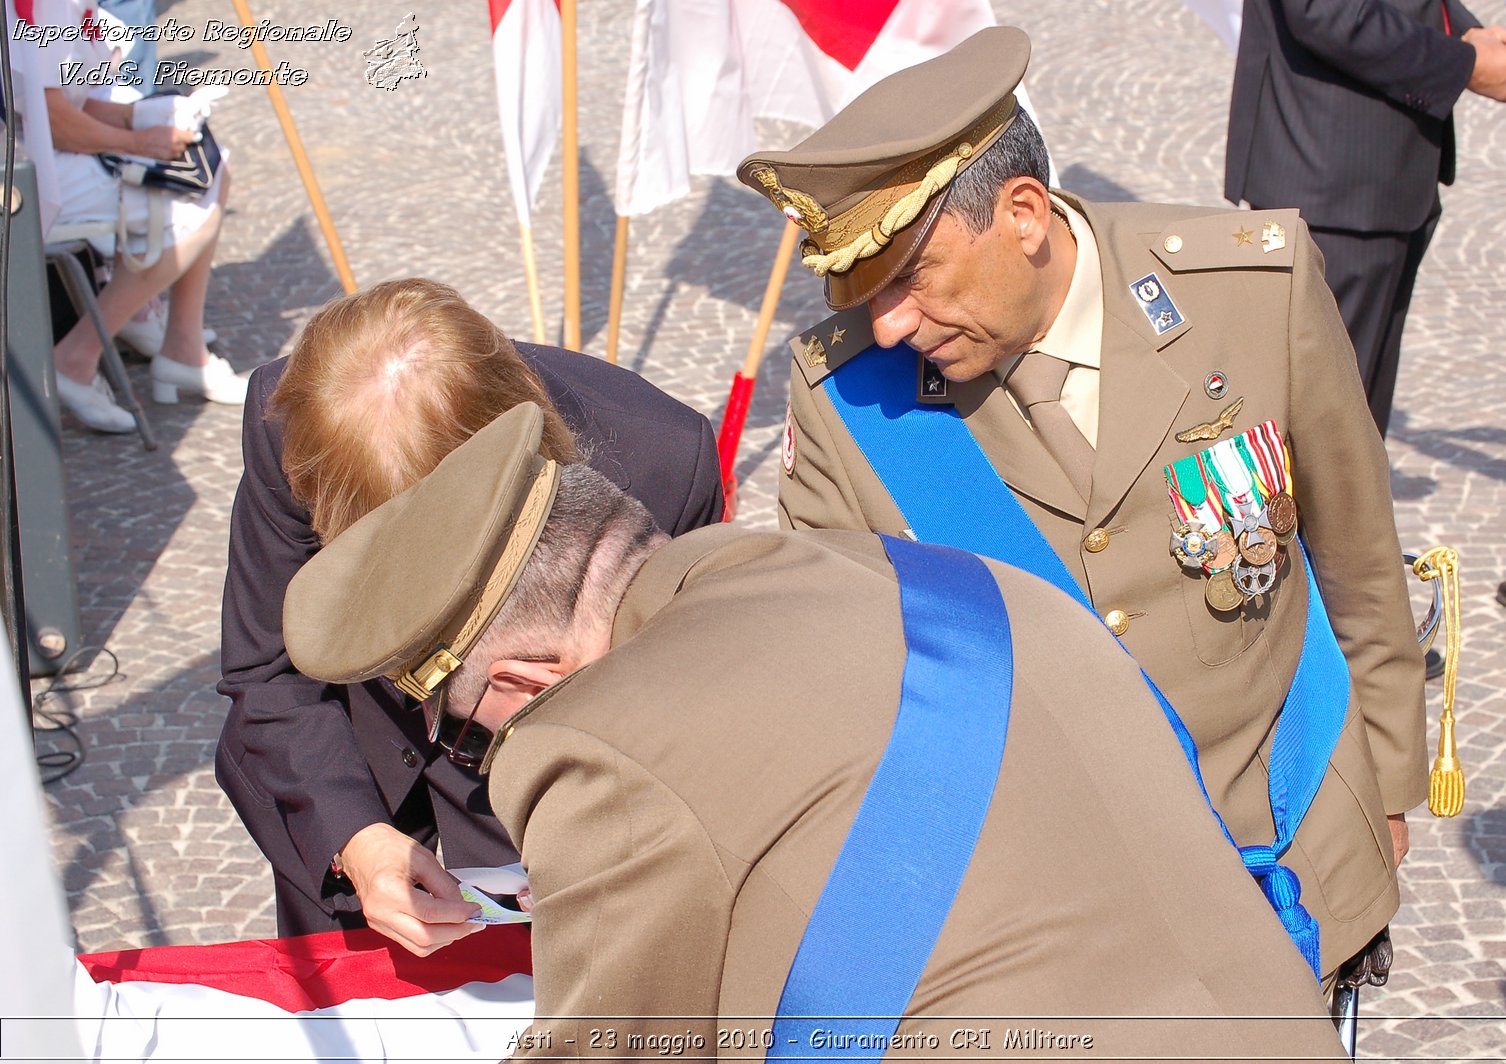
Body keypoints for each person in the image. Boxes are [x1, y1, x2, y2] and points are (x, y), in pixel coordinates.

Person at [281, 401, 1349, 1062]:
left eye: (472, 739)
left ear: (522, 676)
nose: (488, 765)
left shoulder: (602, 741)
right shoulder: (940, 575)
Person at [749, 26, 1422, 990]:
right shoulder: (846, 398)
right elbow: (845, 678)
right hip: (1051, 911)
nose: (888, 325)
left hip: (1288, 846)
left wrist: (1389, 786)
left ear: (1023, 214)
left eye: (908, 279)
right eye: (863, 293)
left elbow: (1356, 551)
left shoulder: (1252, 285)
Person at [216, 279, 724, 950]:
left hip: (544, 823)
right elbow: (267, 672)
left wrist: (602, 842)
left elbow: (676, 702)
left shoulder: (664, 458)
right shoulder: (297, 423)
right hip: (354, 786)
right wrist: (355, 839)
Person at [1224, 0, 1506, 437]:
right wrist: (1464, 63)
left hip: (1368, 178)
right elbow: (1325, 11)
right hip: (1333, 181)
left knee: (1351, 437)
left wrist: (1461, 32)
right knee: (1318, 438)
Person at [22, 0, 248, 433]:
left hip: (50, 149)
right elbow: (53, 118)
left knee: (211, 169)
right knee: (183, 199)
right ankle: (78, 355)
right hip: (31, 164)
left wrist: (148, 117)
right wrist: (140, 140)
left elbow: (75, 101)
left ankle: (183, 346)